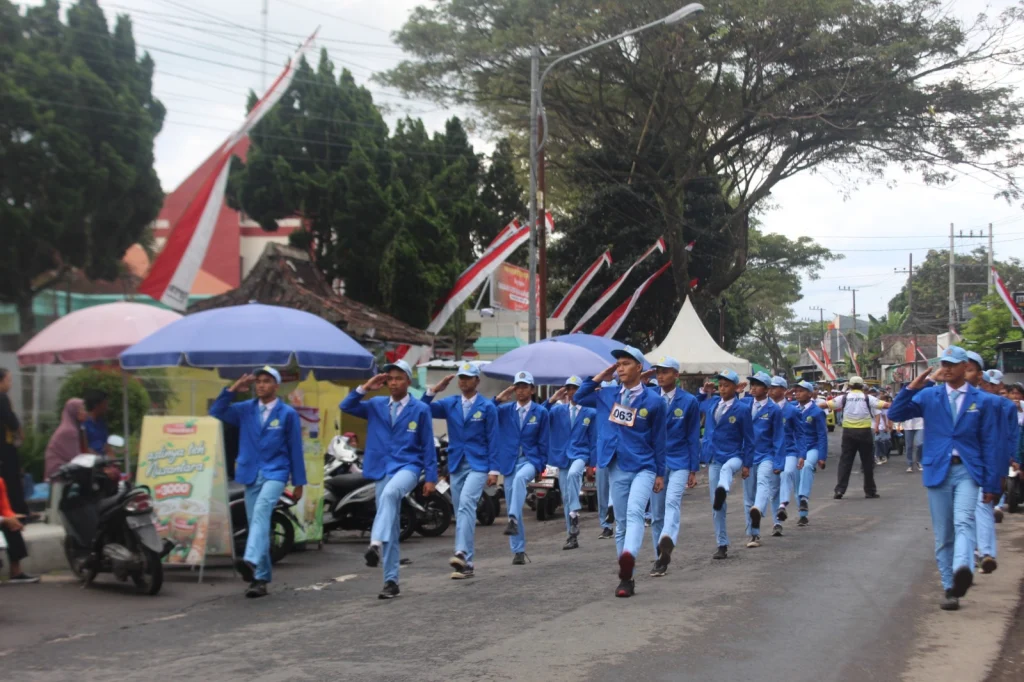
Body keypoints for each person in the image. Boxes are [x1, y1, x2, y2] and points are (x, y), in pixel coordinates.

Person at [888, 346, 1000, 611]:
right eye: (944, 363)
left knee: (964, 521)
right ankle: (951, 587)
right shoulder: (930, 395)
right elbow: (895, 414)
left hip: (968, 470)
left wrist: (993, 482)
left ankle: (963, 567)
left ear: (965, 367)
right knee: (943, 534)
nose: (947, 368)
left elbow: (990, 443)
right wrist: (913, 386)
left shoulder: (980, 400)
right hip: (938, 469)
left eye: (953, 363)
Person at [340, 359, 436, 599]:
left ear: (408, 381)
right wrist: (365, 387)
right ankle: (390, 581)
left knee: (391, 493)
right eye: (390, 379)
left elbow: (427, 447)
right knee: (391, 524)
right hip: (382, 468)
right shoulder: (376, 404)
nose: (394, 383)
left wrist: (431, 478)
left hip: (408, 467)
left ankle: (374, 543)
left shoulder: (420, 409)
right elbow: (346, 406)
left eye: (399, 378)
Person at [575, 346, 666, 598]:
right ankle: (627, 578)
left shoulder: (655, 401)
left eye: (626, 363)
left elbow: (660, 439)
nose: (621, 368)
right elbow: (579, 398)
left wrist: (660, 473)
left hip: (644, 465)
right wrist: (599, 377)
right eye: (618, 364)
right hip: (616, 464)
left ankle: (628, 560)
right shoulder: (607, 394)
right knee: (622, 522)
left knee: (636, 511)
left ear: (639, 367)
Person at [210, 367, 305, 598]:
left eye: (266, 381)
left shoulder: (287, 413)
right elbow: (216, 411)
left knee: (263, 510)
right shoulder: (245, 410)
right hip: (250, 472)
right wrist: (232, 390)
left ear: (276, 386)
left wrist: (299, 482)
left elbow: (295, 448)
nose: (261, 385)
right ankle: (260, 579)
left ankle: (250, 559)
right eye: (258, 381)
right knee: (257, 524)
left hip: (276, 472)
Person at [423, 363, 499, 579]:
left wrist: (494, 470)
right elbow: (422, 408)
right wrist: (434, 390)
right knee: (461, 512)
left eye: (469, 377)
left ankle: (461, 552)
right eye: (461, 377)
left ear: (477, 381)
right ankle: (467, 564)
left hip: (479, 464)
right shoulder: (450, 403)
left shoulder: (487, 407)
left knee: (466, 503)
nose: (464, 381)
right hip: (456, 463)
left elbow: (494, 439)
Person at [647, 356, 699, 577]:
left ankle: (668, 538)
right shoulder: (648, 398)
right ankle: (660, 556)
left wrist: (693, 469)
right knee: (656, 514)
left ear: (676, 375)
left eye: (666, 371)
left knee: (672, 502)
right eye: (658, 371)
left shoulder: (689, 402)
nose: (660, 375)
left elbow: (693, 436)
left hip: (679, 461)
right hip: (655, 463)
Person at [493, 371, 549, 565]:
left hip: (530, 460)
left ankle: (513, 519)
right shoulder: (505, 410)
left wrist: (541, 466)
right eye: (518, 386)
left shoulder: (540, 412)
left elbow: (544, 441)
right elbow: (486, 412)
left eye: (525, 386)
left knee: (519, 482)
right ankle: (518, 550)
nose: (521, 390)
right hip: (509, 462)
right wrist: (499, 398)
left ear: (532, 389)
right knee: (513, 503)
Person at [697, 369, 754, 560]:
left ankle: (723, 486)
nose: (722, 389)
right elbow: (697, 406)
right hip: (714, 456)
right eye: (720, 385)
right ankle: (721, 543)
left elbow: (749, 438)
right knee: (716, 505)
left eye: (726, 385)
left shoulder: (742, 409)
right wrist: (704, 392)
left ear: (736, 387)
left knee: (727, 469)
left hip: (734, 454)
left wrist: (747, 463)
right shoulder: (713, 403)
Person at [547, 376, 596, 550]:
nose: (572, 392)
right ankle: (572, 535)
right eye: (569, 388)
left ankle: (575, 510)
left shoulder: (590, 412)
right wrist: (553, 399)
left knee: (575, 474)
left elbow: (593, 439)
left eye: (576, 388)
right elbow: (542, 414)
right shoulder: (558, 411)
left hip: (580, 454)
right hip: (562, 457)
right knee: (566, 497)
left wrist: (592, 464)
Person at [739, 372, 786, 548]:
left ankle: (758, 509)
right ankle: (753, 534)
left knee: (764, 483)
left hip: (766, 454)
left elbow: (779, 438)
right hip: (748, 456)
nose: (753, 387)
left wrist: (779, 462)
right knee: (747, 496)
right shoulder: (744, 404)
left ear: (766, 389)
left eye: (758, 385)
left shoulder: (774, 410)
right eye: (752, 384)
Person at [976, 369, 1016, 574]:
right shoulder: (974, 401)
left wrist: (1013, 457)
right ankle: (984, 552)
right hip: (976, 461)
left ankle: (984, 552)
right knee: (981, 509)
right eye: (986, 384)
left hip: (997, 459)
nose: (988, 388)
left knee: (984, 505)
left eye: (992, 385)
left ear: (1000, 386)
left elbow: (1010, 434)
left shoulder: (1005, 406)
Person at [0, 368, 37, 584]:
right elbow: (13, 424)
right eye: (9, 379)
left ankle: (15, 568)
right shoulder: (2, 399)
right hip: (5, 468)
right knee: (12, 515)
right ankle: (15, 570)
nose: (10, 383)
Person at [830, 376, 887, 500]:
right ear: (862, 387)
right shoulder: (868, 398)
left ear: (849, 386)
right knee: (867, 462)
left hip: (848, 433)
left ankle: (839, 490)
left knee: (845, 462)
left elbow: (826, 405)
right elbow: (885, 405)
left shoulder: (843, 397)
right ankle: (870, 491)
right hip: (864, 433)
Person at [792, 381, 829, 527]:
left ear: (810, 393)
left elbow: (822, 435)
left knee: (807, 466)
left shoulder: (817, 412)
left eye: (801, 391)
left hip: (811, 447)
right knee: (796, 480)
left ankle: (804, 498)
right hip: (795, 449)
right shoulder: (793, 409)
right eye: (796, 391)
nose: (798, 393)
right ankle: (802, 514)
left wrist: (822, 457)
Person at [770, 376, 802, 535]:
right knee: (774, 488)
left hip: (789, 450)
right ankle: (777, 523)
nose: (771, 390)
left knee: (787, 473)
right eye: (770, 387)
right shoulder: (766, 409)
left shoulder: (793, 410)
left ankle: (783, 505)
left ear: (783, 390)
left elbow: (801, 434)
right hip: (772, 452)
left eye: (775, 387)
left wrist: (802, 454)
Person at [45, 398, 87, 481]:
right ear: (73, 411)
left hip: (64, 469)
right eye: (81, 409)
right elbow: (75, 458)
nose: (85, 412)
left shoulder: (75, 428)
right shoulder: (69, 431)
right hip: (59, 473)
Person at [82, 389, 112, 456]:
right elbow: (85, 449)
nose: (107, 407)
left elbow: (106, 445)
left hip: (104, 460)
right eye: (105, 403)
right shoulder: (84, 424)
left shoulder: (102, 422)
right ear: (96, 405)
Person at [873, 391, 893, 466]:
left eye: (886, 400)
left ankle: (884, 455)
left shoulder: (887, 409)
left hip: (885, 427)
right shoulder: (876, 407)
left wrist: (889, 425)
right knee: (878, 441)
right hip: (878, 427)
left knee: (887, 442)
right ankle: (877, 456)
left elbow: (888, 417)